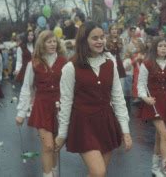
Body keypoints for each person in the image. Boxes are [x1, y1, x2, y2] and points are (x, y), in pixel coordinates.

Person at [55, 22, 132, 177]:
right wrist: (62, 134)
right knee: (99, 171)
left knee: (97, 174)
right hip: (83, 124)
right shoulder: (71, 67)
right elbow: (66, 102)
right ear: (84, 41)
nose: (100, 41)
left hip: (106, 123)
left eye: (102, 37)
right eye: (95, 38)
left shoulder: (110, 63)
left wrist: (125, 130)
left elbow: (118, 98)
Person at [16, 30, 67, 177]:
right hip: (42, 107)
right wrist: (21, 113)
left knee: (55, 146)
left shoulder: (64, 62)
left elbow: (71, 86)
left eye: (54, 41)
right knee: (48, 146)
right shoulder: (34, 63)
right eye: (48, 41)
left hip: (59, 108)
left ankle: (54, 172)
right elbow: (27, 88)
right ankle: (47, 175)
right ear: (42, 44)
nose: (52, 44)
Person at [137, 36, 166, 176]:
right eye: (160, 46)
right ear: (155, 48)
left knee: (160, 136)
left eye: (165, 46)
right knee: (165, 134)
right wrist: (145, 98)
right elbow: (140, 84)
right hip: (152, 104)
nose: (163, 48)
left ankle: (155, 168)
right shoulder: (147, 64)